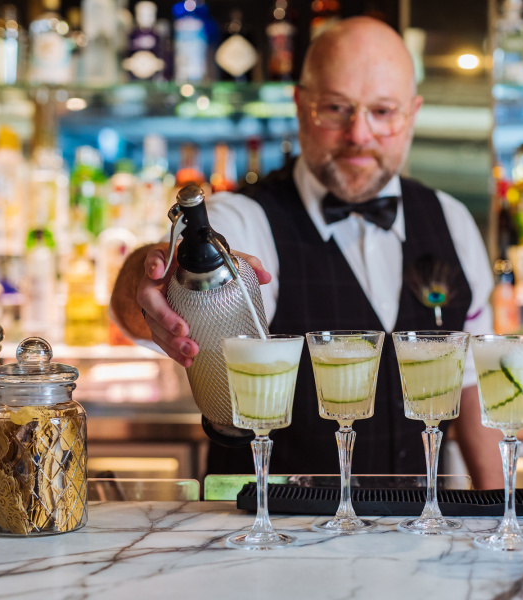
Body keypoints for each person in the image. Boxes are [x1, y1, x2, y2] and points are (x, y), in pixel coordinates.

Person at [111, 16, 503, 489]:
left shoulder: (451, 220)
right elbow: (158, 284)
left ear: (412, 114)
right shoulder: (248, 218)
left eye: (383, 111)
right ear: (300, 106)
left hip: (418, 526)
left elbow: (470, 384)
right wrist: (152, 275)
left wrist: (496, 509)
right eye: (336, 108)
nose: (359, 135)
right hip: (271, 525)